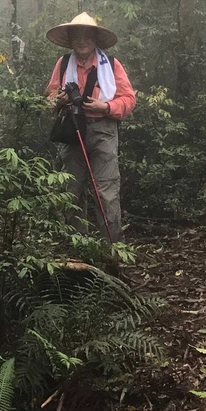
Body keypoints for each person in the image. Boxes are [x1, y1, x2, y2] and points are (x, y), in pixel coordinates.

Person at [45, 12, 136, 243]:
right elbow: (50, 97)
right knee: (71, 191)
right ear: (71, 39)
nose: (81, 40)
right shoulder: (64, 63)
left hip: (103, 131)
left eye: (86, 35)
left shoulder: (112, 65)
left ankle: (113, 249)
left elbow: (128, 99)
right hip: (72, 129)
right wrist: (60, 100)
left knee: (105, 192)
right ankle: (78, 249)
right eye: (77, 35)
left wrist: (105, 107)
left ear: (95, 39)